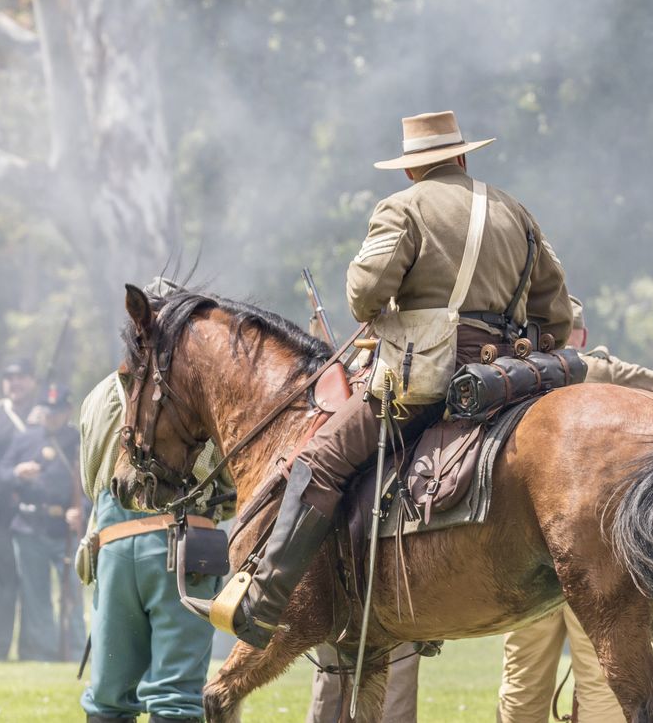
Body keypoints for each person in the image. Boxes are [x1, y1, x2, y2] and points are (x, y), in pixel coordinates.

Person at [201, 110, 572, 649]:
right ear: (464, 156)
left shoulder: (401, 207)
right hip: (508, 379)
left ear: (410, 171)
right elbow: (557, 315)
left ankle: (265, 600)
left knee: (320, 459)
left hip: (427, 378)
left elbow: (364, 295)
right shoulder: (516, 212)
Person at [498, 296, 653, 722]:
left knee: (523, 680)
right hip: (593, 549)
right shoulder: (596, 368)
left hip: (526, 555)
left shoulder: (513, 375)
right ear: (578, 336)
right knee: (602, 678)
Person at [78, 350, 233, 723]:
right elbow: (229, 479)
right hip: (183, 542)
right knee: (175, 695)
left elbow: (90, 479)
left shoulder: (98, 395)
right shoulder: (196, 388)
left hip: (112, 542)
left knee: (108, 698)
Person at [0, 381, 86, 662]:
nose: (51, 417)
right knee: (35, 596)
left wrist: (82, 510)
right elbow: (0, 473)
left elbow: (93, 483)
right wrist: (16, 472)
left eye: (57, 411)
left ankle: (74, 651)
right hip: (30, 525)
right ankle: (44, 653)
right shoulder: (25, 438)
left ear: (68, 410)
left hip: (65, 529)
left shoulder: (79, 440)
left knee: (71, 593)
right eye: (47, 411)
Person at [0, 356, 38, 661]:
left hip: (36, 516)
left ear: (32, 381)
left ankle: (31, 648)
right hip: (0, 515)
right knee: (2, 585)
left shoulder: (42, 417)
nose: (16, 383)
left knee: (32, 586)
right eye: (10, 378)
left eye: (22, 377)